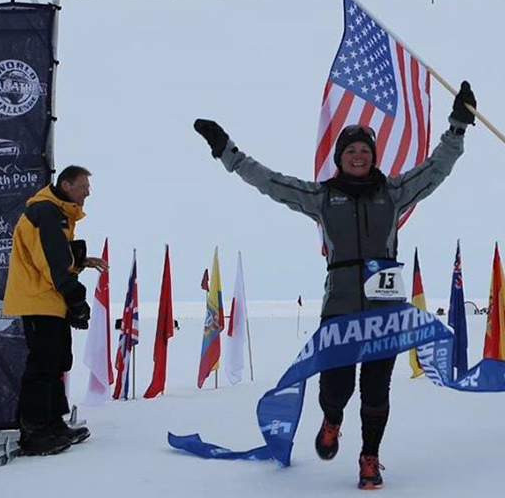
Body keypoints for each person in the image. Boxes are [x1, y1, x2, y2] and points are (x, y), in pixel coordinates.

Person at [194, 82, 476, 489]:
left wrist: (458, 127)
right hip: (341, 308)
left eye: (364, 151)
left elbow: (436, 169)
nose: (358, 156)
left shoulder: (393, 193)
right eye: (351, 151)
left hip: (385, 309)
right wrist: (226, 151)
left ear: (373, 157)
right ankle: (331, 419)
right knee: (336, 386)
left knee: (376, 389)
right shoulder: (321, 197)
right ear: (340, 158)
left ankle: (370, 457)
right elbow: (270, 182)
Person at [3, 165, 108, 455]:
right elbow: (51, 261)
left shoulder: (55, 211)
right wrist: (75, 297)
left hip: (49, 298)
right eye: (83, 186)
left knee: (58, 360)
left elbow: (56, 253)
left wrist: (82, 261)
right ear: (65, 185)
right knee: (43, 363)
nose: (88, 192)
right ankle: (34, 432)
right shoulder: (47, 211)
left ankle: (52, 423)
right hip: (38, 298)